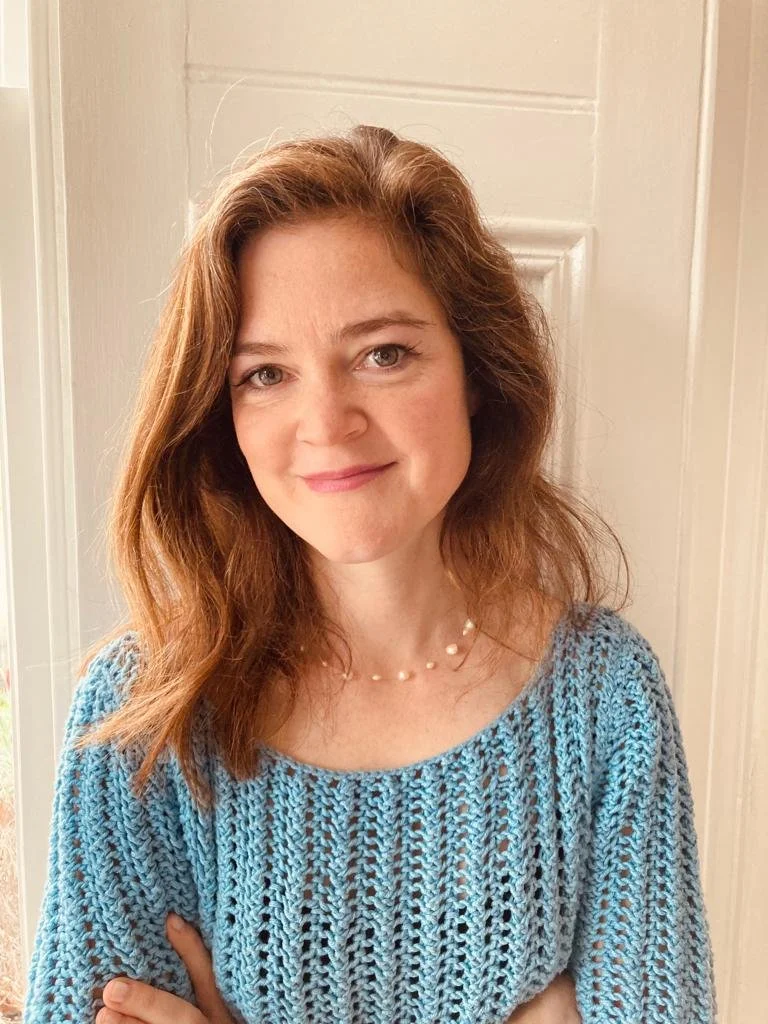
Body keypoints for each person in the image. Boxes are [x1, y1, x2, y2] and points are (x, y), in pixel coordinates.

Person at [22, 125, 717, 1023]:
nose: (327, 421)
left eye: (383, 354)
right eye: (265, 374)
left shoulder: (604, 699)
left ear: (475, 370)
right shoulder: (145, 723)